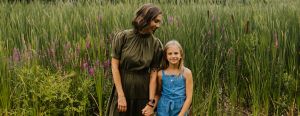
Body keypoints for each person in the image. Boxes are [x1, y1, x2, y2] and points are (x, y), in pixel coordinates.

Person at [106, 3, 164, 116]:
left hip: (143, 92)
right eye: (156, 21)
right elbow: (114, 67)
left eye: (159, 22)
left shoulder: (156, 44)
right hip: (123, 89)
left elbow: (153, 75)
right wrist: (121, 96)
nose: (158, 25)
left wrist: (151, 104)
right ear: (146, 19)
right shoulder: (123, 37)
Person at [143, 40, 193, 116]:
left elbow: (189, 97)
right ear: (166, 56)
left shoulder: (187, 73)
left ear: (181, 55)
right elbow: (158, 94)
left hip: (180, 109)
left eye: (176, 53)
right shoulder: (160, 74)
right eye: (170, 54)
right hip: (163, 109)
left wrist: (181, 114)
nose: (173, 56)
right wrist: (151, 108)